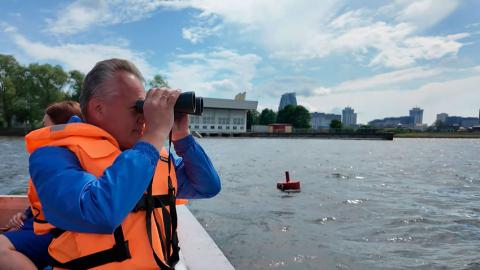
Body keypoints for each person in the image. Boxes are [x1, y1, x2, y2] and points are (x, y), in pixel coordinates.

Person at [24, 58, 221, 269]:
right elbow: (97, 214)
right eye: (137, 108)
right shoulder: (53, 156)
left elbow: (207, 187)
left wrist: (182, 137)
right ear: (98, 108)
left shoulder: (150, 155)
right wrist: (155, 134)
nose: (143, 117)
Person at [0, 101, 83, 270]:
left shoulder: (64, 158)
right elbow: (46, 199)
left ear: (59, 128)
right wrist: (26, 214)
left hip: (57, 231)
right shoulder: (59, 154)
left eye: (45, 125)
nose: (40, 130)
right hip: (41, 223)